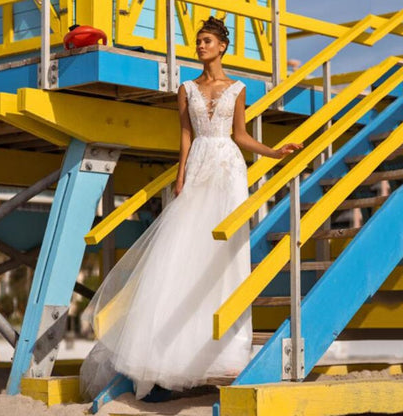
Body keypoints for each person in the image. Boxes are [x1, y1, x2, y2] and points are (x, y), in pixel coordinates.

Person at [79, 16, 302, 401]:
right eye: (198, 41)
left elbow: (240, 135)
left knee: (226, 254)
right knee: (184, 252)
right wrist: (181, 176)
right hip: (199, 163)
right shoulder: (185, 89)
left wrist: (274, 152)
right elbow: (185, 136)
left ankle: (227, 352)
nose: (200, 46)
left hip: (229, 169)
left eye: (206, 41)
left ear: (222, 47)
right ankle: (173, 350)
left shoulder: (238, 88)